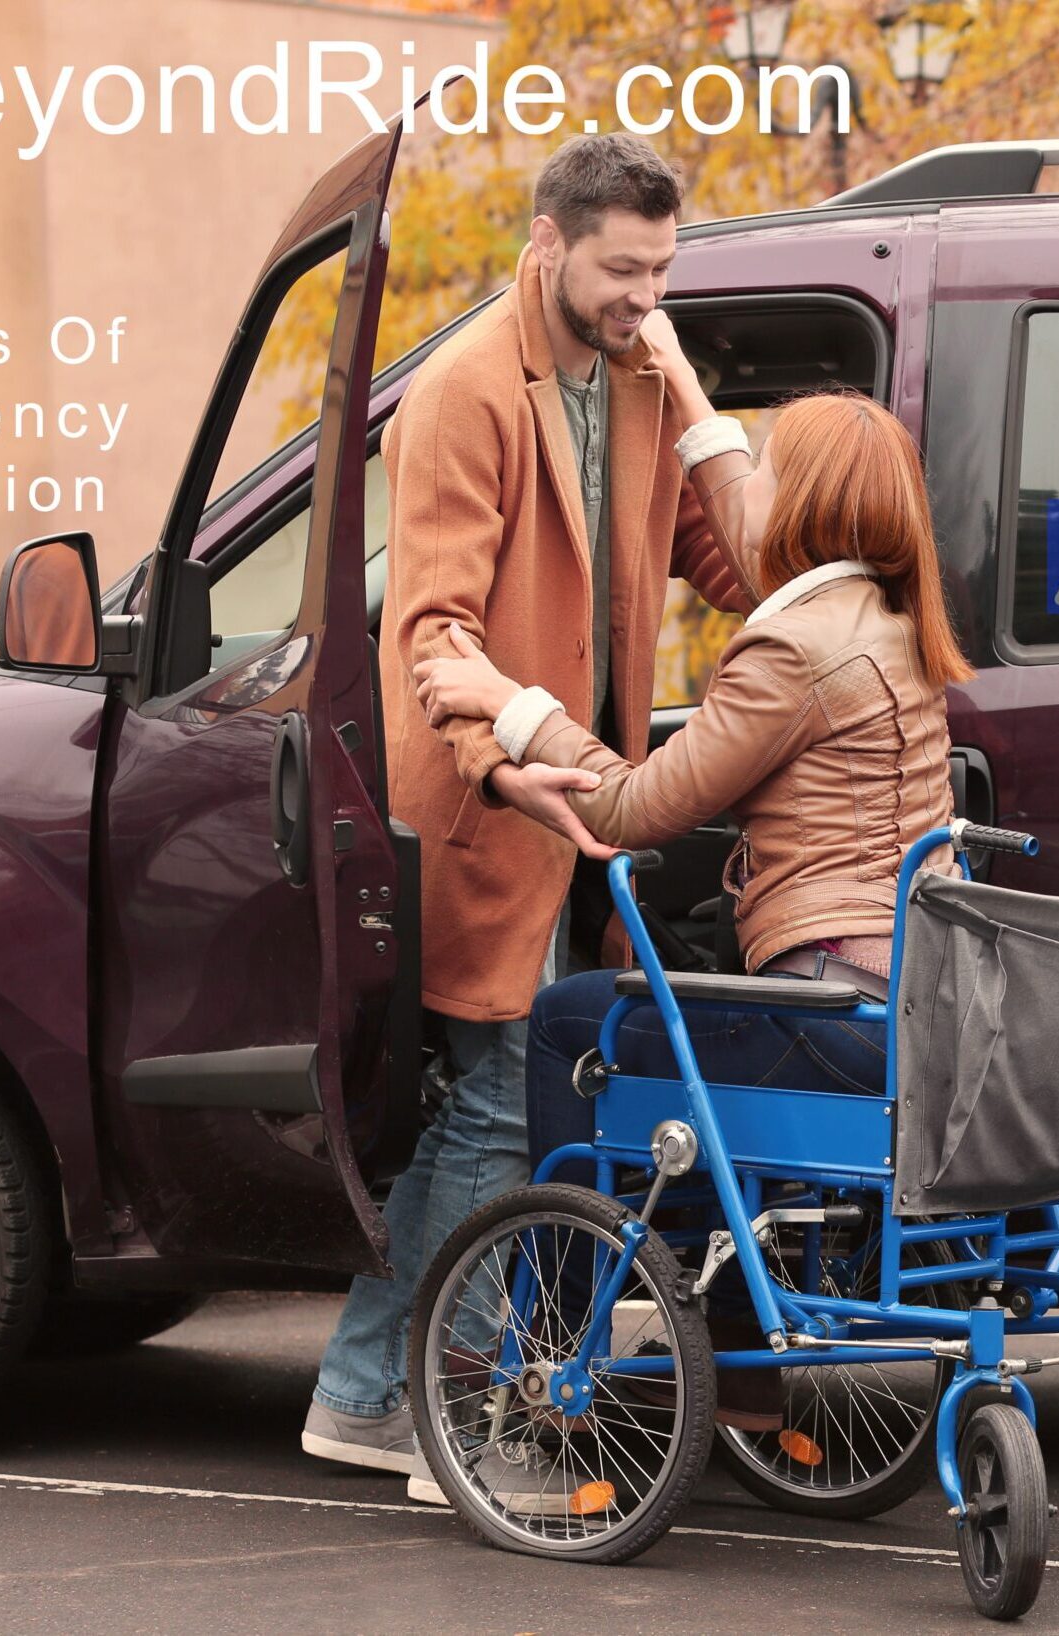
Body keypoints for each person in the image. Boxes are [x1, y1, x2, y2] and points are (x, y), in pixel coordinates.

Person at [301, 133, 754, 1500]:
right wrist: (528, 739)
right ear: (549, 247)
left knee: (506, 1118)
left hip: (588, 814)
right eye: (624, 271)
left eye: (662, 271)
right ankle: (428, 1407)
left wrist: (697, 406)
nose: (645, 295)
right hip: (496, 806)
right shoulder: (459, 392)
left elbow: (742, 566)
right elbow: (431, 634)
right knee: (498, 1113)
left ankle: (375, 1388)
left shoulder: (634, 376)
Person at [411, 384, 974, 1436]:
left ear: (799, 500)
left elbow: (626, 808)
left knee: (578, 1020)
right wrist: (685, 387)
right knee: (700, 1045)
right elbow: (748, 519)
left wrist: (508, 701)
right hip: (912, 1012)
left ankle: (560, 1344)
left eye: (759, 468)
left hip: (829, 1019)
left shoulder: (793, 652)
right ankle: (742, 1371)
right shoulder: (895, 623)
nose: (739, 487)